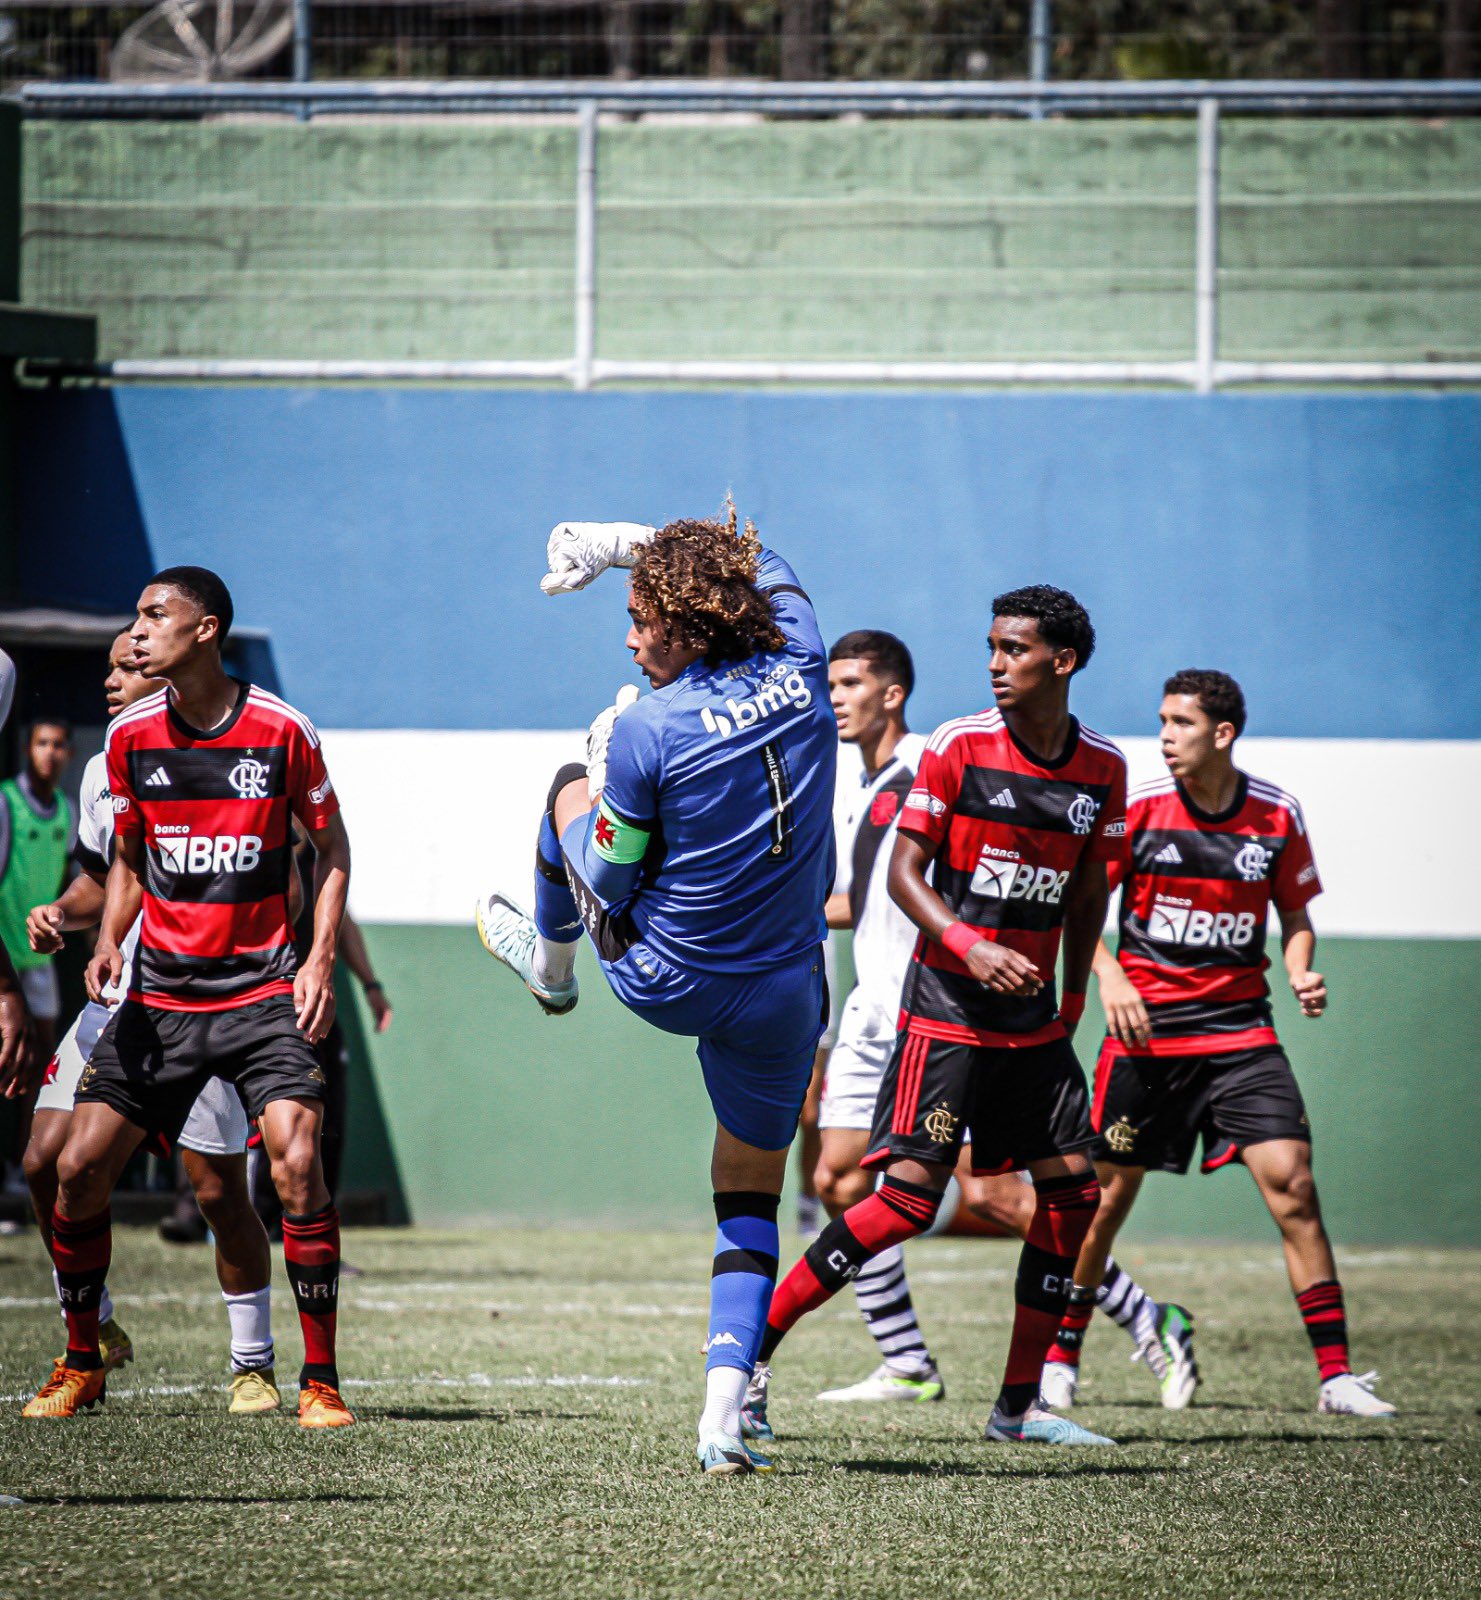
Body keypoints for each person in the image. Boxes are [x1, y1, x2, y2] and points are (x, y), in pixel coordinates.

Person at [476, 508, 835, 1475]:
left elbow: (615, 878)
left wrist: (602, 772)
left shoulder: (647, 727)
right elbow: (774, 559)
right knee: (751, 1193)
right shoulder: (806, 665)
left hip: (664, 975)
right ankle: (722, 1416)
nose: (630, 637)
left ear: (691, 622)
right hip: (785, 992)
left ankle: (551, 973)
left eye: (641, 617)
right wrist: (630, 540)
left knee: (562, 788)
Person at [746, 586, 1128, 1451]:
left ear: (1059, 662)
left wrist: (1069, 1000)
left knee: (1073, 1196)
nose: (994, 663)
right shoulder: (957, 746)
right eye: (990, 646)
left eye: (1013, 650)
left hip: (1033, 1028)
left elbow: (1086, 888)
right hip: (945, 1015)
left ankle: (1019, 1406)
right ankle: (748, 1360)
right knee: (906, 1201)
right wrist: (970, 945)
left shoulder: (1101, 767)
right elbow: (903, 875)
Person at [20, 567, 355, 1427]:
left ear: (205, 631)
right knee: (74, 1169)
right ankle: (83, 1360)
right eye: (133, 615)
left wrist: (318, 961)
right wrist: (102, 938)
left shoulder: (282, 730)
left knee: (294, 1162)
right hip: (160, 1000)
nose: (135, 632)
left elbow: (332, 846)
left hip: (262, 994)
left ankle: (317, 1381)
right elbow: (127, 859)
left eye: (153, 615)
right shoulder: (129, 741)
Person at [1041, 669, 1395, 1419]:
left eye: (1180, 723)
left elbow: (1294, 916)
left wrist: (1301, 972)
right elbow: (1079, 906)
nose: (1165, 737)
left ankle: (1335, 1378)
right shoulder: (1136, 809)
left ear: (1222, 733)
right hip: (1145, 1040)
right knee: (1101, 1201)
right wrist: (1108, 976)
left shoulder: (1274, 814)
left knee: (1293, 1186)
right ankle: (1060, 1354)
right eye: (1161, 721)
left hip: (1240, 1034)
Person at [0, 718, 75, 1068]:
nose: (51, 752)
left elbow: (65, 875)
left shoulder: (66, 809)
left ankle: (30, 1126)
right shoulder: (5, 802)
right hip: (5, 952)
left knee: (45, 1056)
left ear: (69, 753)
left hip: (39, 953)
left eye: (58, 745)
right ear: (28, 750)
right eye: (42, 743)